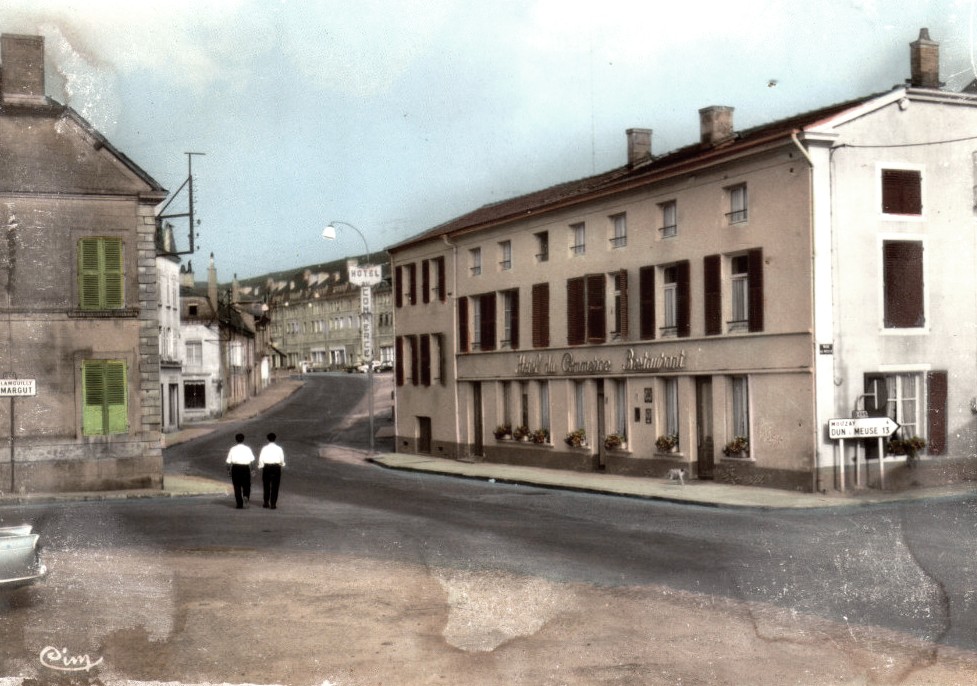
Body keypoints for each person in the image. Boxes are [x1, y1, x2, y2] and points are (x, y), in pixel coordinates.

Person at [225, 433, 256, 509]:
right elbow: (252, 461)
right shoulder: (247, 449)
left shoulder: (232, 449)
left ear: (236, 439)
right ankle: (246, 496)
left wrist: (229, 470)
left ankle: (239, 504)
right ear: (243, 439)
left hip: (235, 468)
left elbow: (228, 462)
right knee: (247, 485)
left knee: (237, 486)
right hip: (245, 468)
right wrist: (252, 470)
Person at [258, 432, 286, 509]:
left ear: (268, 439)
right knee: (275, 486)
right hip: (276, 468)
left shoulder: (264, 448)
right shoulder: (279, 448)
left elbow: (261, 459)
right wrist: (282, 464)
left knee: (266, 485)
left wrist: (261, 466)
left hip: (267, 467)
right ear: (275, 438)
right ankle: (273, 503)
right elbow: (282, 459)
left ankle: (266, 502)